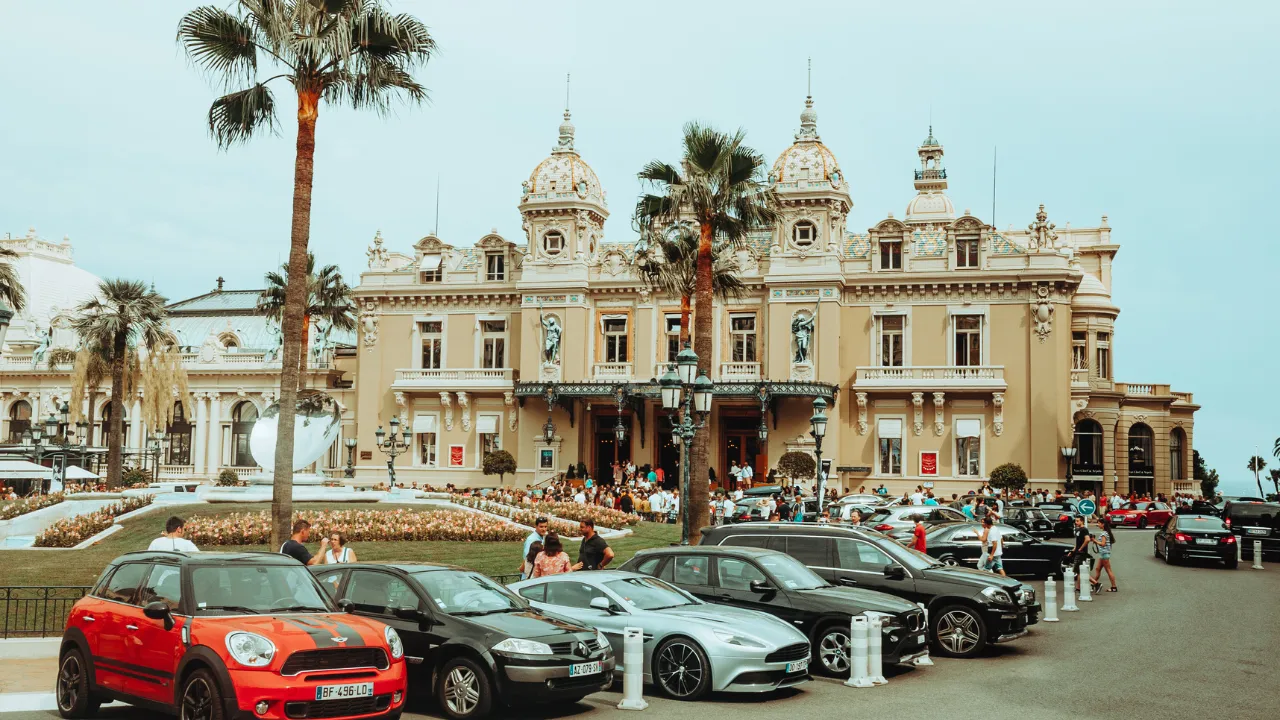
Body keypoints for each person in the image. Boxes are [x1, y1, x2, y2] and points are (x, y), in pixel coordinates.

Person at [1089, 517, 1118, 593]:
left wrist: (1094, 540)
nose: (1098, 525)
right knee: (1097, 569)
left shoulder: (1104, 533)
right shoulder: (1106, 532)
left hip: (1104, 554)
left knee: (1108, 570)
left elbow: (1103, 544)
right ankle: (1094, 583)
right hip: (1103, 554)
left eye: (1099, 523)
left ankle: (1114, 587)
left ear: (1103, 524)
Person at [1070, 516, 1091, 591]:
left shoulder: (1084, 530)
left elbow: (1087, 539)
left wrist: (1081, 548)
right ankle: (1078, 587)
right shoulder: (1078, 530)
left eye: (1078, 521)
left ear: (1082, 521)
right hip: (1078, 552)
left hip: (1081, 553)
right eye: (1075, 521)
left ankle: (1095, 583)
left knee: (1077, 570)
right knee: (1079, 571)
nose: (1076, 522)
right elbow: (1078, 543)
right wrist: (1072, 551)